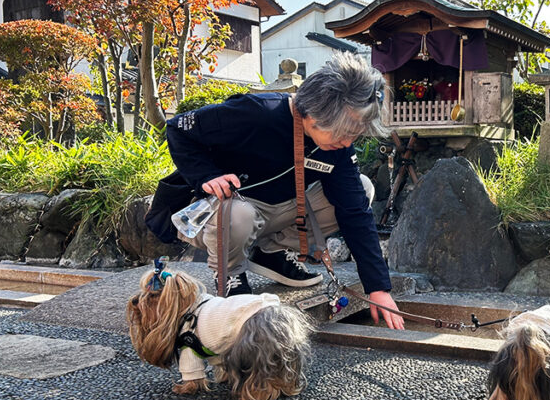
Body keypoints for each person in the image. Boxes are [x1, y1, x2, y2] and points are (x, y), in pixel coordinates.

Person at [164, 52, 404, 330]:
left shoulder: (337, 147)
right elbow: (179, 128)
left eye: (355, 133)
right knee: (238, 214)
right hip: (228, 212)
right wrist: (207, 175)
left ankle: (271, 253)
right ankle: (231, 274)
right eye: (342, 131)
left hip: (282, 210)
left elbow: (355, 212)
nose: (347, 141)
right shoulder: (256, 113)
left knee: (362, 187)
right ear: (314, 112)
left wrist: (378, 288)